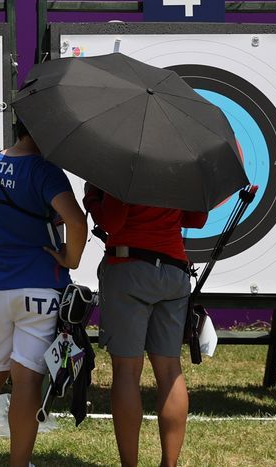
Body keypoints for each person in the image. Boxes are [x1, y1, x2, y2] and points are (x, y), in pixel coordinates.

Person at [0, 121, 87, 467]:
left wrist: (5, 232)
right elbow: (77, 221)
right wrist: (70, 257)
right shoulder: (45, 171)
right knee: (27, 381)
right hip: (40, 290)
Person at [85, 183, 208, 467]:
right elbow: (197, 219)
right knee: (169, 370)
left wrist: (93, 196)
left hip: (129, 267)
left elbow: (112, 221)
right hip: (175, 272)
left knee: (127, 372)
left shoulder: (127, 164)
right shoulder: (179, 161)